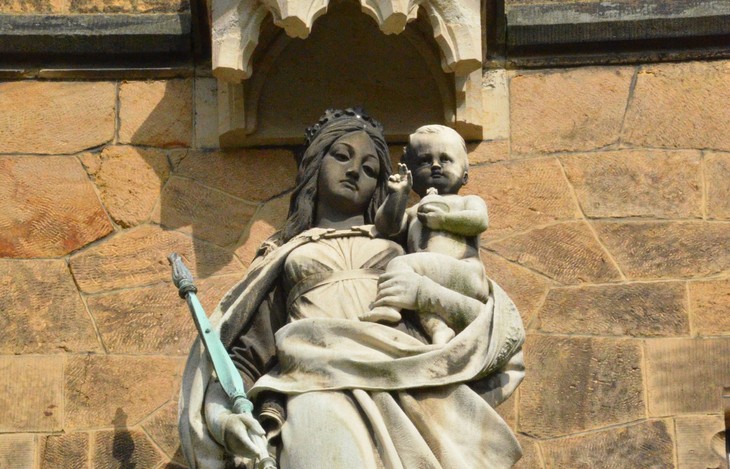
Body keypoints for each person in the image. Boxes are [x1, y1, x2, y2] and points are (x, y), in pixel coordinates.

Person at [179, 109, 526, 469]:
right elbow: (246, 354)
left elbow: (480, 314)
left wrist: (423, 293)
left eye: (370, 168)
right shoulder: (287, 254)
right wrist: (224, 417)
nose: (355, 170)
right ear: (316, 164)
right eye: (342, 156)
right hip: (316, 380)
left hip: (407, 377)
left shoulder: (407, 240)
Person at [366, 125, 490, 345]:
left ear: (465, 175)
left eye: (445, 159)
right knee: (420, 296)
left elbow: (480, 221)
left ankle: (388, 306)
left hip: (467, 272)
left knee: (399, 265)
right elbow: (387, 227)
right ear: (412, 171)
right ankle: (439, 330)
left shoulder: (464, 201)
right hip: (430, 274)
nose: (435, 165)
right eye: (424, 161)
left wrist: (444, 220)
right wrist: (398, 195)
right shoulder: (414, 211)